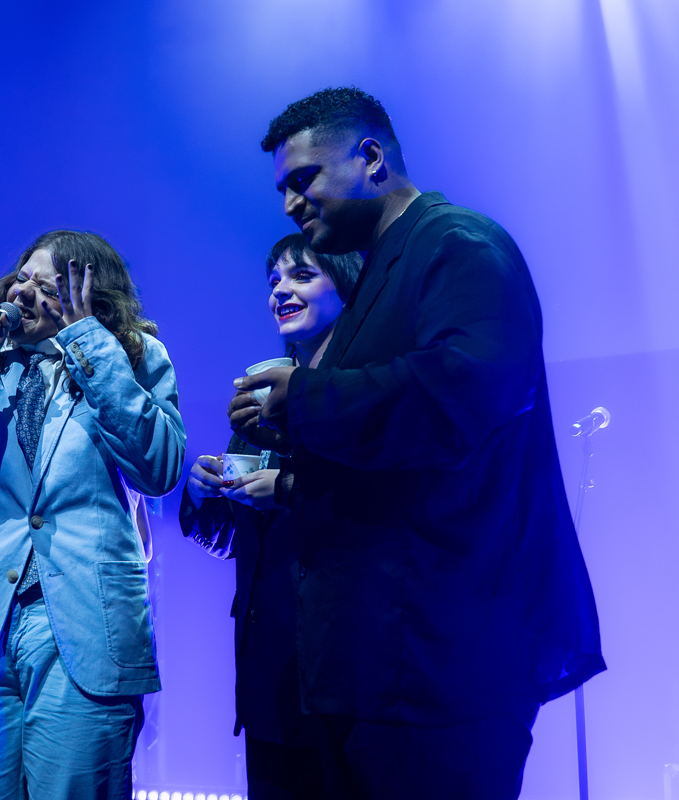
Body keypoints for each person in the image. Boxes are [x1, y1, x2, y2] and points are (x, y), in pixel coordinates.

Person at [232, 87, 605, 798]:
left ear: (371, 158)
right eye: (282, 188)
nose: (290, 204)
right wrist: (285, 426)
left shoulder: (458, 244)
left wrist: (305, 398)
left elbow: (470, 390)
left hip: (442, 664)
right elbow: (387, 446)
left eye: (304, 178)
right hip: (374, 667)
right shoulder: (383, 271)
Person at [0, 230, 184, 799]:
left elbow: (159, 468)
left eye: (48, 285)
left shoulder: (133, 357)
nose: (24, 292)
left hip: (83, 622)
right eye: (22, 278)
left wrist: (90, 345)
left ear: (91, 297)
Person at [181, 234, 360, 799]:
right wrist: (204, 492)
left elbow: (379, 505)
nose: (280, 290)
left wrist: (286, 488)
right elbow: (233, 539)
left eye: (302, 275)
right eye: (274, 281)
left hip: (350, 669)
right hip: (270, 678)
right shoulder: (261, 397)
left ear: (347, 284)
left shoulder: (366, 389)